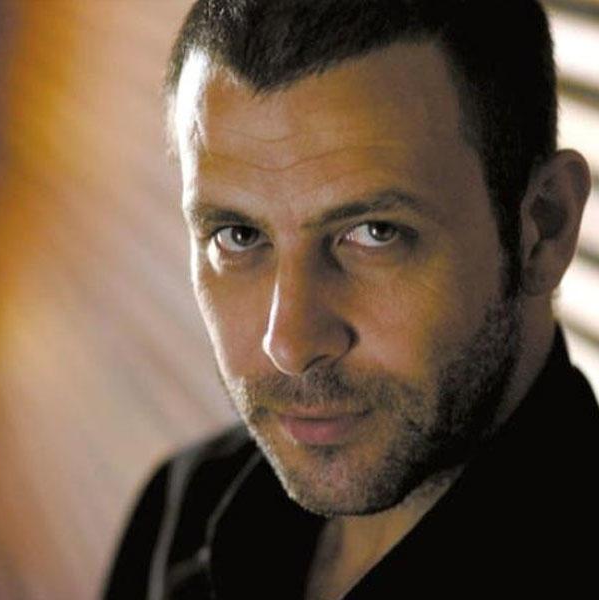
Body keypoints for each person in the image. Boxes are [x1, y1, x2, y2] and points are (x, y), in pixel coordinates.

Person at [104, 1, 598, 598]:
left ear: (544, 227)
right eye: (238, 236)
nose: (290, 345)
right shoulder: (179, 514)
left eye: (374, 233)